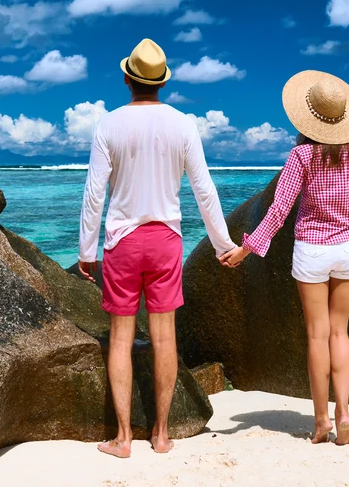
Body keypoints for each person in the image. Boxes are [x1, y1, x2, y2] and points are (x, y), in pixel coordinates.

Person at [78, 38, 236, 458]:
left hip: (123, 242)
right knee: (165, 339)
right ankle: (162, 435)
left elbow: (95, 194)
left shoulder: (108, 124)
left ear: (128, 77)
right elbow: (204, 190)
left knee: (120, 339)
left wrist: (85, 249)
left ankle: (124, 438)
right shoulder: (183, 123)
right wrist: (223, 243)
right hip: (165, 241)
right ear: (161, 83)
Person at [220, 70, 349, 446]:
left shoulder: (302, 155)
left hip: (312, 250)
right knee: (341, 332)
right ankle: (344, 414)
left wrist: (246, 248)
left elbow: (278, 211)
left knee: (317, 335)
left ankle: (321, 420)